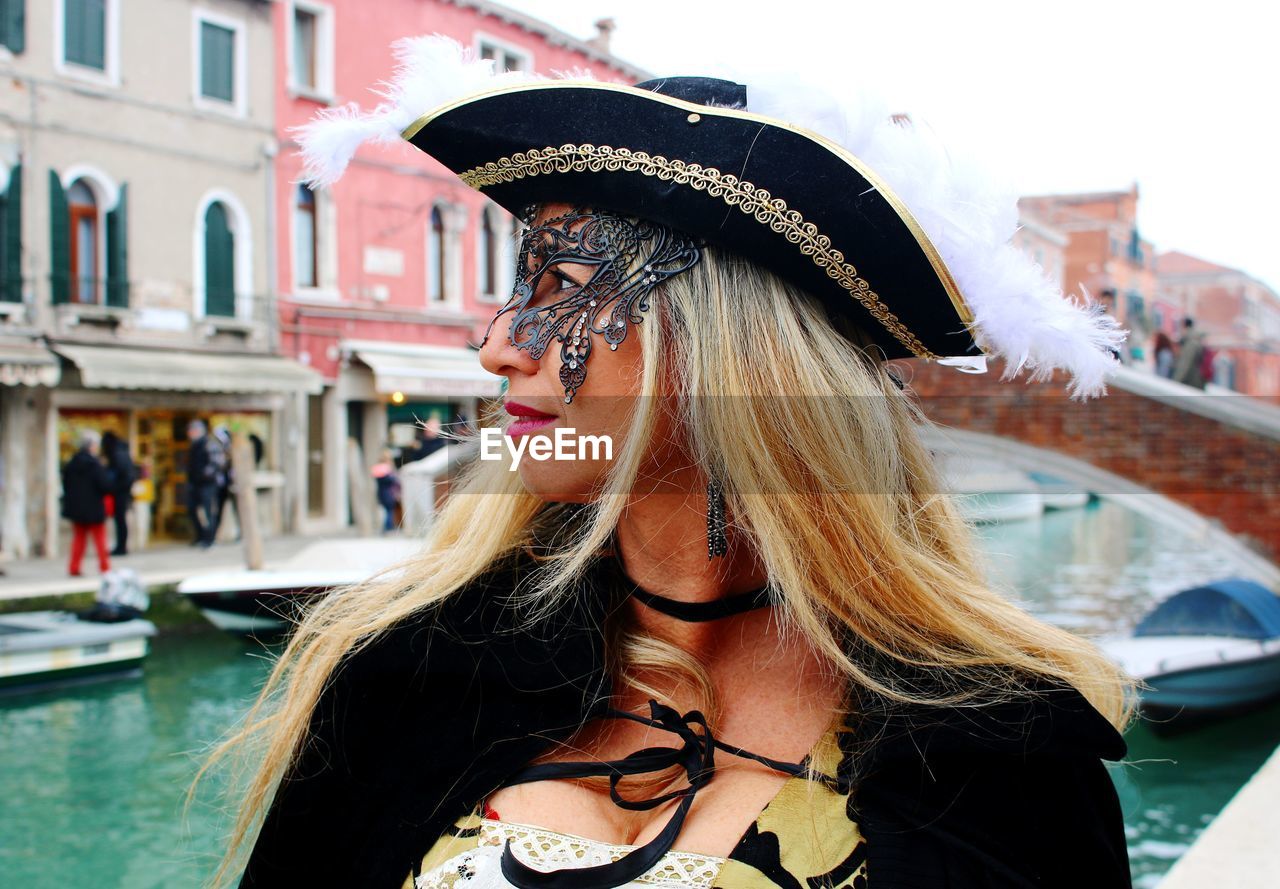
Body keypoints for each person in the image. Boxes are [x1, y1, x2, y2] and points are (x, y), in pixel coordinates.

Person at [217, 39, 1136, 889]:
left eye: (564, 288)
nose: (499, 345)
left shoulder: (999, 754)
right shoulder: (408, 675)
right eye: (514, 289)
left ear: (741, 355)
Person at [61, 429, 113, 577]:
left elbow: (66, 485)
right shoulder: (95, 464)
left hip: (77, 508)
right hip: (94, 507)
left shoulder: (71, 464)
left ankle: (74, 567)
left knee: (79, 539)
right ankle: (105, 568)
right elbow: (105, 485)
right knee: (100, 539)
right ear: (91, 446)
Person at [100, 431, 137, 556]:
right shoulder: (122, 452)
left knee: (120, 520)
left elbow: (121, 475)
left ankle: (121, 546)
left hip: (120, 492)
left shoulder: (117, 454)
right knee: (120, 520)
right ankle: (121, 546)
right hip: (122, 491)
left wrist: (114, 487)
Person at [185, 419, 221, 548]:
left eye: (192, 430)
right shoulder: (194, 445)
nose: (190, 433)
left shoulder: (209, 444)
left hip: (207, 484)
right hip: (195, 484)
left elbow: (217, 463)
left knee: (208, 511)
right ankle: (200, 536)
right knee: (192, 510)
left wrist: (204, 475)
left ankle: (210, 538)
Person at [1172, 317, 1208, 389]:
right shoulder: (1195, 340)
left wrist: (1175, 382)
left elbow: (1185, 364)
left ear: (1184, 326)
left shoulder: (1191, 343)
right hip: (1196, 382)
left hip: (1191, 383)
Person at [371, 449, 401, 533]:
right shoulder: (386, 469)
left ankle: (386, 526)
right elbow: (392, 480)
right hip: (388, 493)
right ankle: (388, 526)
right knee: (389, 510)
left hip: (382, 493)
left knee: (386, 510)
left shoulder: (377, 469)